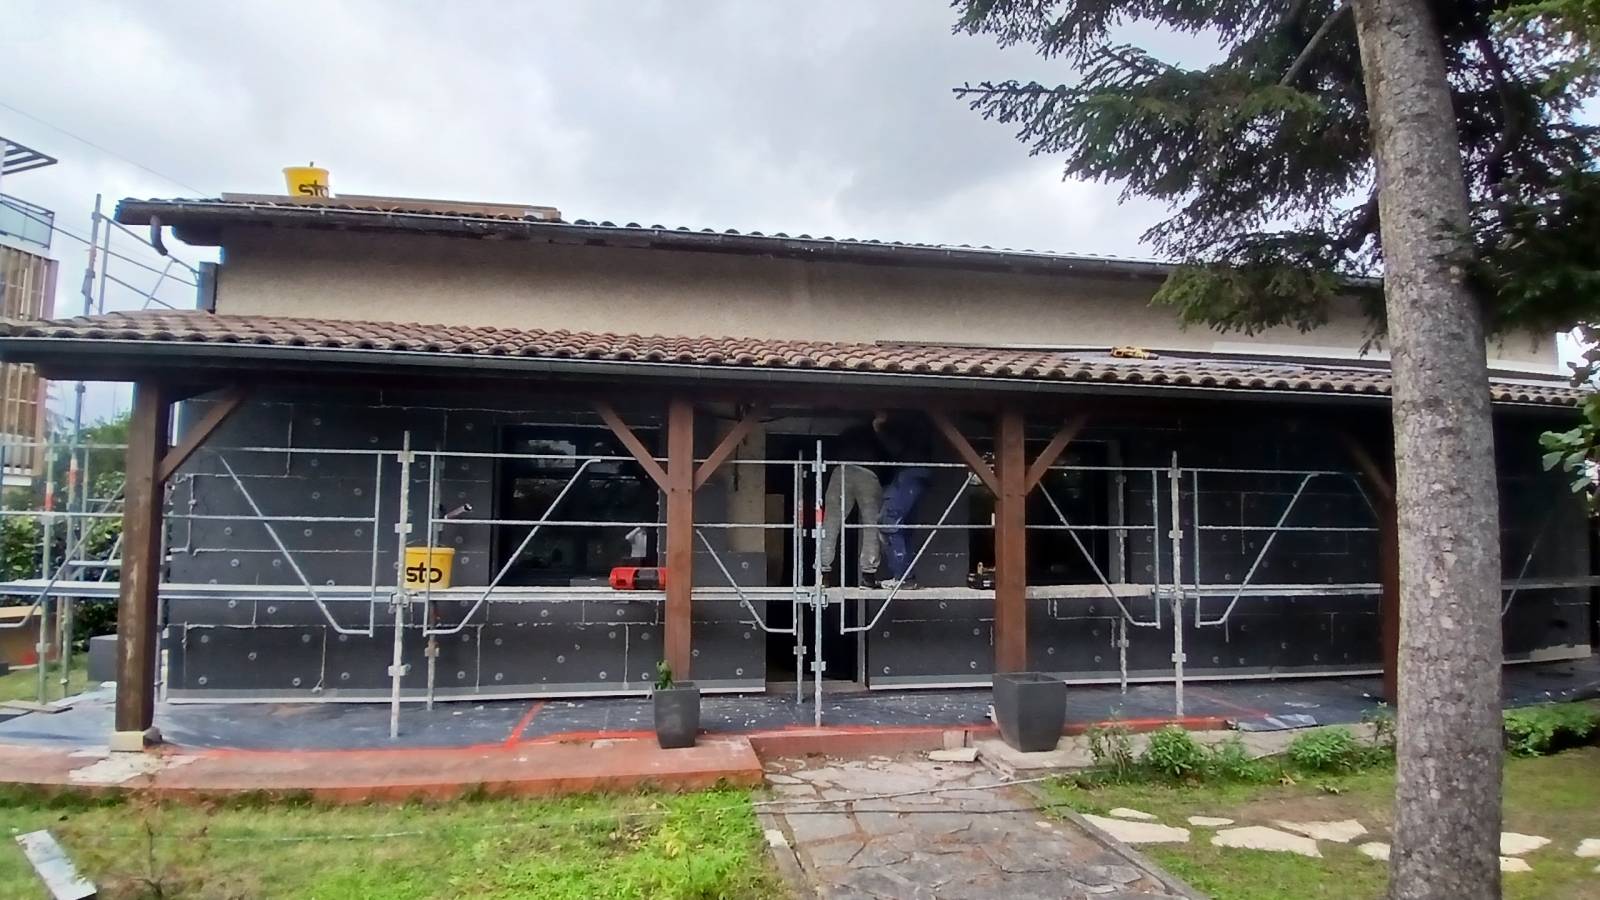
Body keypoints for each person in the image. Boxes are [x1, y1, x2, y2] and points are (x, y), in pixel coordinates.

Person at [819, 417, 885, 585]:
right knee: (871, 525)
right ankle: (868, 575)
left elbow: (831, 453)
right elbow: (890, 456)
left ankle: (823, 573)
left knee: (831, 523)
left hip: (841, 471)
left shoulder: (847, 434)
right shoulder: (879, 435)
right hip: (868, 473)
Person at [876, 412, 935, 589]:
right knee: (904, 527)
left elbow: (897, 448)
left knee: (889, 523)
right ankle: (907, 577)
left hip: (909, 472)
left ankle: (903, 577)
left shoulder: (905, 421)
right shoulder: (919, 420)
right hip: (917, 472)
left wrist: (880, 428)